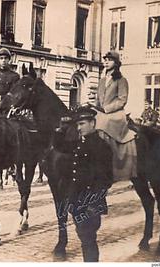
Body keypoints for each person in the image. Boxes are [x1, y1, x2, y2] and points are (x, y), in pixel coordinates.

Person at [54, 106, 113, 262]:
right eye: (78, 125)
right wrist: (61, 129)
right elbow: (59, 146)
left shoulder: (101, 147)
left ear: (93, 123)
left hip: (91, 204)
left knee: (88, 240)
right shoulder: (79, 144)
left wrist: (93, 204)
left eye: (82, 124)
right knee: (84, 238)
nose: (79, 128)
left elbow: (106, 179)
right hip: (77, 202)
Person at [91, 51, 137, 181]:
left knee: (102, 126)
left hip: (115, 114)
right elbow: (97, 100)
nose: (106, 61)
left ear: (116, 63)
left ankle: (107, 164)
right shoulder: (102, 81)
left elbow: (122, 100)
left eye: (109, 60)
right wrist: (94, 109)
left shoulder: (121, 80)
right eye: (105, 59)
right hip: (101, 112)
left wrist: (106, 109)